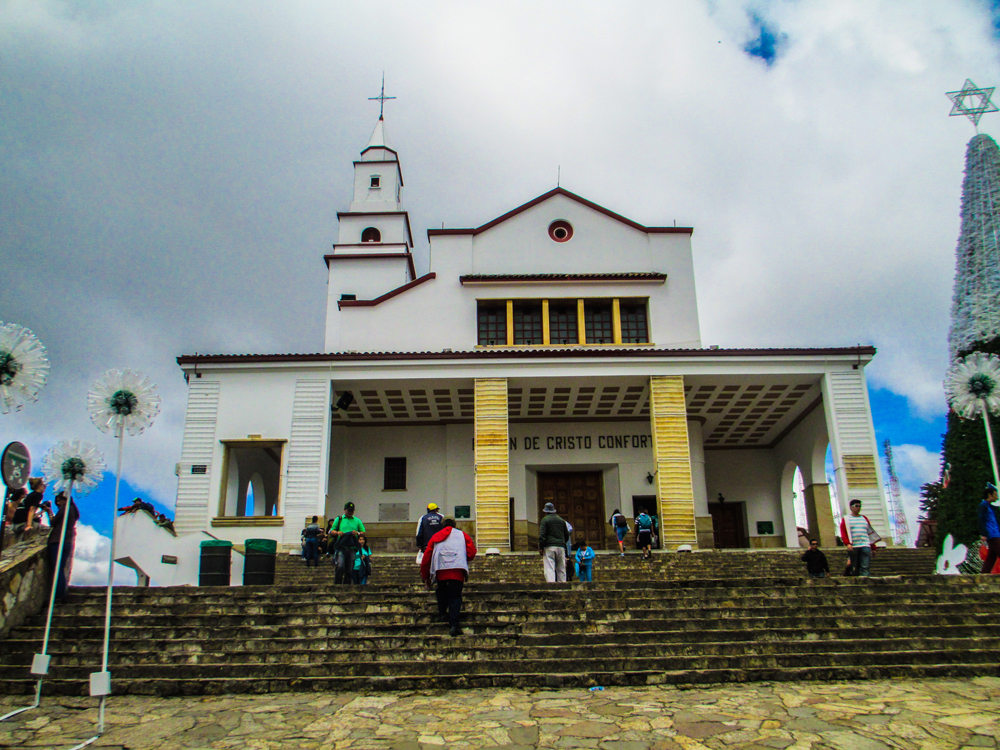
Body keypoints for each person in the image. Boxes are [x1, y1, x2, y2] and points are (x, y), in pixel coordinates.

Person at [420, 518, 477, 636]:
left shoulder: (436, 536)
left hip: (440, 570)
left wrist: (426, 576)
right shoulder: (463, 535)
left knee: (441, 591)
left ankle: (442, 614)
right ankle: (454, 625)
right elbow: (471, 553)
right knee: (455, 596)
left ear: (442, 525)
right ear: (455, 524)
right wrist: (461, 556)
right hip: (457, 570)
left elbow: (426, 557)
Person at [46, 491, 79, 601]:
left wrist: (49, 512)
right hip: (67, 542)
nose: (58, 504)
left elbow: (53, 522)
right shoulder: (73, 512)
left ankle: (59, 594)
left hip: (58, 541)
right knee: (60, 568)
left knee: (57, 569)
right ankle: (60, 593)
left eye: (59, 501)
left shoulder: (65, 509)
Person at [839, 499, 877, 577]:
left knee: (865, 566)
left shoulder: (864, 518)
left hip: (865, 544)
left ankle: (865, 581)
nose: (858, 508)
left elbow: (870, 532)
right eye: (856, 506)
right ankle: (856, 580)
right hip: (854, 546)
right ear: (851, 507)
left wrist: (873, 547)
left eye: (860, 506)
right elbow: (843, 532)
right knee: (854, 566)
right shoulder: (846, 519)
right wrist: (847, 543)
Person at [329, 502, 365, 584]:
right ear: (344, 510)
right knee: (340, 565)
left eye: (352, 511)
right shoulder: (339, 519)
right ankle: (337, 584)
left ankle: (347, 585)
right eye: (348, 510)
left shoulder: (357, 520)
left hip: (352, 547)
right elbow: (331, 531)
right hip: (341, 547)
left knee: (349, 569)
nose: (350, 512)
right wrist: (338, 533)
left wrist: (358, 533)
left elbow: (363, 532)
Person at [538, 502, 569, 583]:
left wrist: (541, 547)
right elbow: (566, 534)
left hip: (549, 546)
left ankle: (551, 585)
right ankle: (562, 585)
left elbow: (542, 535)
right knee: (561, 568)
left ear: (546, 511)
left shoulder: (545, 520)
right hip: (561, 547)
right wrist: (562, 543)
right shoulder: (561, 520)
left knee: (549, 567)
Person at [978, 483, 1000, 574]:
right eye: (995, 495)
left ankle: (983, 575)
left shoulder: (988, 506)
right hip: (992, 534)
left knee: (991, 557)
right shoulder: (983, 506)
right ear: (989, 495)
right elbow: (980, 520)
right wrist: (983, 533)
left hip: (995, 533)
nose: (997, 497)